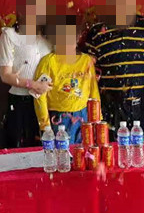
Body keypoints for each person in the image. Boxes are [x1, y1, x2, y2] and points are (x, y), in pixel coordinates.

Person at [80, 0, 144, 137]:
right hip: (109, 107)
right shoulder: (97, 32)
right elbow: (87, 70)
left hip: (143, 105)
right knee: (112, 150)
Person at [0, 0, 53, 148]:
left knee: (46, 147)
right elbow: (5, 75)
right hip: (21, 101)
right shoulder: (9, 35)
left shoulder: (49, 36)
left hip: (48, 101)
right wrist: (33, 85)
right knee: (20, 149)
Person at [34, 15, 100, 143]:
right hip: (58, 118)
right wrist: (45, 125)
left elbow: (94, 92)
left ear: (78, 37)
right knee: (60, 152)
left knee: (82, 151)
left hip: (83, 116)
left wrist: (97, 118)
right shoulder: (48, 62)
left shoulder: (86, 61)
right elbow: (39, 96)